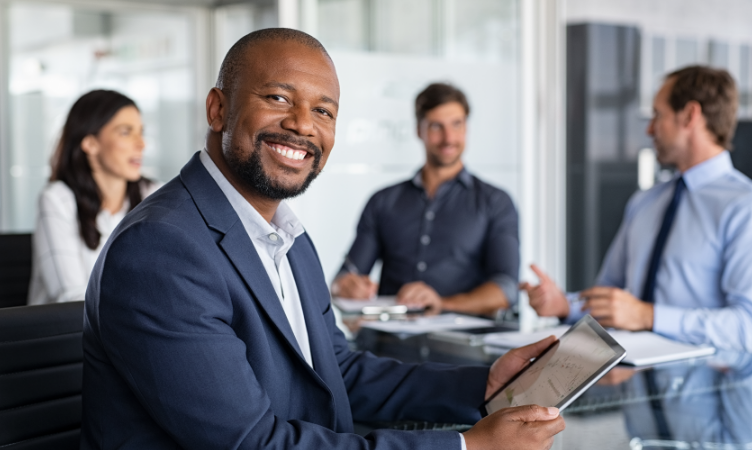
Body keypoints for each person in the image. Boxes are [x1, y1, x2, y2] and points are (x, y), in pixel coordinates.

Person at [81, 29, 564, 449]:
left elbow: (337, 372)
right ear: (218, 108)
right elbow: (250, 444)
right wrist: (465, 447)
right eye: (277, 98)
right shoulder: (163, 248)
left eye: (324, 111)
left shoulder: (286, 236)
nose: (303, 125)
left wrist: (484, 385)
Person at [522, 65, 752, 352]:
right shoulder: (645, 202)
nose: (649, 129)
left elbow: (746, 327)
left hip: (707, 388)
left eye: (658, 115)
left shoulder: (743, 206)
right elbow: (614, 301)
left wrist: (648, 316)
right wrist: (563, 305)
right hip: (632, 381)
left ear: (690, 115)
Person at [332, 83, 518, 316]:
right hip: (388, 342)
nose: (448, 137)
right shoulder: (382, 201)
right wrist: (346, 286)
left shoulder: (496, 202)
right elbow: (345, 276)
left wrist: (442, 303)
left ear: (466, 128)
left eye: (457, 124)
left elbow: (506, 289)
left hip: (463, 344)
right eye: (436, 126)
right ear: (419, 130)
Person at [27, 89, 158, 305]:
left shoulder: (155, 195)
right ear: (90, 143)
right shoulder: (57, 200)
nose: (141, 144)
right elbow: (70, 299)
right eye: (126, 132)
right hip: (67, 335)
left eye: (141, 132)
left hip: (132, 332)